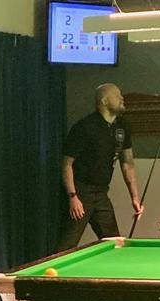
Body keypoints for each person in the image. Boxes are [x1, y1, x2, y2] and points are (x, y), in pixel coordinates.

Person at [56, 83, 143, 252]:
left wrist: (135, 198)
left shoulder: (122, 126)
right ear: (104, 101)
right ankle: (52, 270)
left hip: (101, 193)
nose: (122, 98)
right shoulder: (84, 127)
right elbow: (67, 164)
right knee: (67, 245)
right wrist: (73, 196)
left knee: (113, 241)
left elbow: (127, 163)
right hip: (80, 192)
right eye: (117, 95)